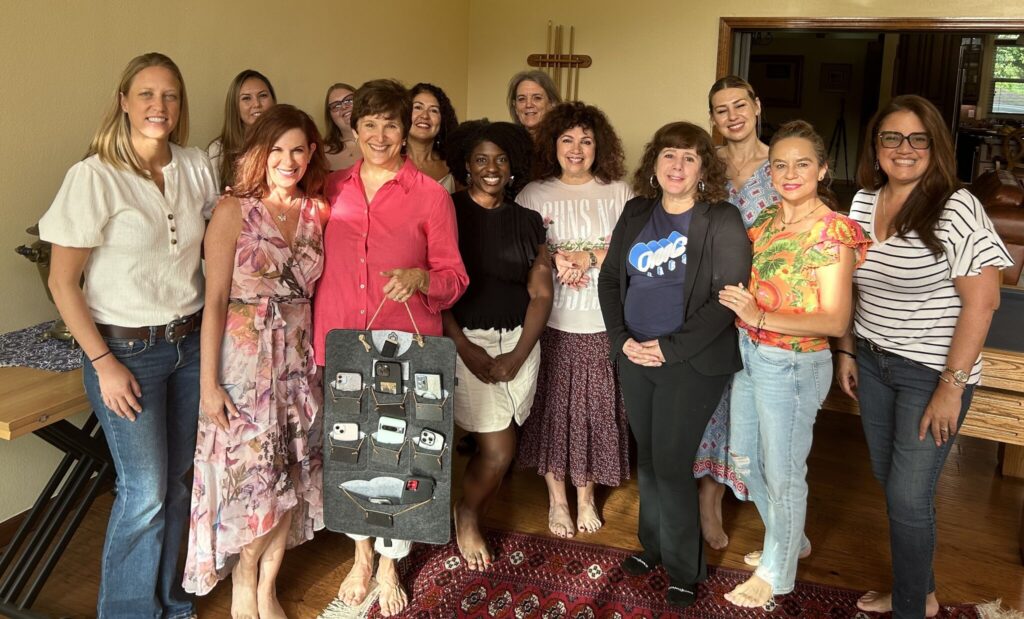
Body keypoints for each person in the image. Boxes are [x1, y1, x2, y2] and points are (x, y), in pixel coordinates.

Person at [40, 52, 218, 618]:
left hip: (188, 346)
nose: (158, 106)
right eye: (146, 94)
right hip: (126, 354)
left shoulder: (195, 167)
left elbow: (216, 251)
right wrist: (102, 361)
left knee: (182, 483)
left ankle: (171, 601)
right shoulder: (92, 176)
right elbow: (63, 282)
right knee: (145, 493)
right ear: (123, 101)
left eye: (169, 95)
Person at [835, 95, 1012, 619]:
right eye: (892, 137)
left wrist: (951, 388)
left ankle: (913, 606)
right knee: (889, 480)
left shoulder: (956, 207)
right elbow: (849, 285)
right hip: (871, 360)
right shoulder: (864, 203)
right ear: (876, 146)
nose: (905, 149)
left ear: (935, 147)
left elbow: (985, 301)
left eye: (919, 139)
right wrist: (846, 350)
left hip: (930, 374)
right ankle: (923, 589)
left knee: (910, 497)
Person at [312, 79, 468, 618]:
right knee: (350, 448)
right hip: (343, 344)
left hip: (407, 348)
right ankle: (360, 556)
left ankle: (389, 561)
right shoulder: (331, 188)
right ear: (353, 129)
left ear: (406, 132)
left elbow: (455, 278)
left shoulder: (429, 195)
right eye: (369, 124)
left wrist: (422, 277)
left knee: (399, 451)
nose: (380, 135)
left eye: (391, 124)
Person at [182, 105, 330, 618]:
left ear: (311, 154)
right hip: (245, 365)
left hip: (299, 361)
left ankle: (268, 584)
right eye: (277, 149)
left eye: (297, 149)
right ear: (259, 154)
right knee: (253, 477)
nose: (287, 160)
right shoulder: (233, 210)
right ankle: (244, 575)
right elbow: (216, 301)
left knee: (289, 469)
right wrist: (208, 384)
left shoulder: (317, 211)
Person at [597, 122, 751, 610]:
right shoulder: (636, 211)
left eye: (688, 157)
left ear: (703, 167)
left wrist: (668, 348)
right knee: (648, 457)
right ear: (654, 164)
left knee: (671, 462)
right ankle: (654, 546)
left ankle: (685, 568)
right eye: (668, 155)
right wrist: (624, 341)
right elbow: (610, 282)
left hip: (691, 362)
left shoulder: (720, 218)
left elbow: (728, 300)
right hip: (634, 355)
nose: (677, 166)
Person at [719, 120, 870, 609]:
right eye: (779, 164)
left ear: (822, 169)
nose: (790, 172)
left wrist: (758, 312)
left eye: (802, 163)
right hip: (748, 353)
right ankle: (791, 539)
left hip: (794, 365)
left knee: (784, 472)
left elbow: (834, 317)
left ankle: (777, 572)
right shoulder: (764, 221)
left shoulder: (833, 232)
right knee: (742, 458)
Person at [516, 101, 633, 538]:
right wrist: (553, 255)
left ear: (599, 145)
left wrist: (590, 256)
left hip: (604, 322)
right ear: (553, 144)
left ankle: (586, 497)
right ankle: (557, 501)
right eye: (567, 139)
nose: (577, 148)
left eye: (586, 139)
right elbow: (522, 252)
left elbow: (634, 253)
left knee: (594, 412)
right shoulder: (533, 194)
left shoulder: (619, 192)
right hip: (552, 321)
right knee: (553, 413)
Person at [441, 119, 552, 570]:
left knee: (500, 443)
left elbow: (541, 293)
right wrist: (466, 349)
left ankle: (470, 506)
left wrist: (519, 353)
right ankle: (466, 515)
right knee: (499, 448)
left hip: (518, 344)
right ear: (466, 165)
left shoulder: (527, 221)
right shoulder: (446, 211)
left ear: (512, 167)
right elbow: (436, 291)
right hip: (464, 340)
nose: (491, 167)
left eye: (500, 159)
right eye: (481, 159)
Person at [694, 75, 781, 551]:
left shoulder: (781, 162)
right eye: (721, 109)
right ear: (713, 118)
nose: (732, 115)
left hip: (766, 304)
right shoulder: (707, 166)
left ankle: (766, 500)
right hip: (711, 299)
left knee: (757, 405)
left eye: (739, 105)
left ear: (757, 105)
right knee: (712, 399)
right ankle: (709, 501)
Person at [210, 69, 277, 189]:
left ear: (273, 101)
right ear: (235, 105)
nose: (256, 104)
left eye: (263, 96)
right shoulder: (218, 150)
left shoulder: (287, 143)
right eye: (246, 98)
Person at [407, 83, 459, 192]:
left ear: (443, 120)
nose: (425, 115)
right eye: (418, 107)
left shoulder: (453, 167)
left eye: (433, 110)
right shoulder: (389, 163)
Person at [506, 70, 561, 137]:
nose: (528, 105)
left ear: (552, 103)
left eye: (537, 98)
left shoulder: (563, 141)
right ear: (515, 107)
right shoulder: (506, 143)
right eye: (522, 99)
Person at [323, 82, 359, 171]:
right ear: (330, 116)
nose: (344, 107)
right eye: (336, 106)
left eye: (349, 100)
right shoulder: (320, 152)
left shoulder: (381, 141)